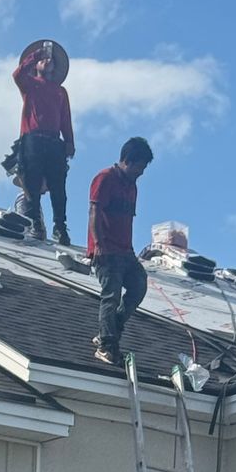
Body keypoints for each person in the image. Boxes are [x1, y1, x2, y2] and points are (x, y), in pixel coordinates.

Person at [88, 137, 154, 366]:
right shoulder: (105, 178)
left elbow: (127, 220)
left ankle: (109, 330)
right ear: (128, 160)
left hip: (125, 251)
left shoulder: (132, 186)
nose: (141, 172)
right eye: (139, 167)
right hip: (106, 249)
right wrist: (98, 244)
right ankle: (106, 346)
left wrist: (130, 249)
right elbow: (94, 211)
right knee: (111, 295)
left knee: (139, 285)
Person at [11, 39, 74, 245]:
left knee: (58, 186)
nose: (47, 62)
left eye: (50, 60)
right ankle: (35, 224)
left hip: (54, 140)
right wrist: (36, 55)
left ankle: (60, 227)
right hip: (32, 139)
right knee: (31, 183)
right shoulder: (30, 85)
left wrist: (69, 141)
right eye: (43, 60)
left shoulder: (60, 91)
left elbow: (65, 118)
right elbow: (17, 75)